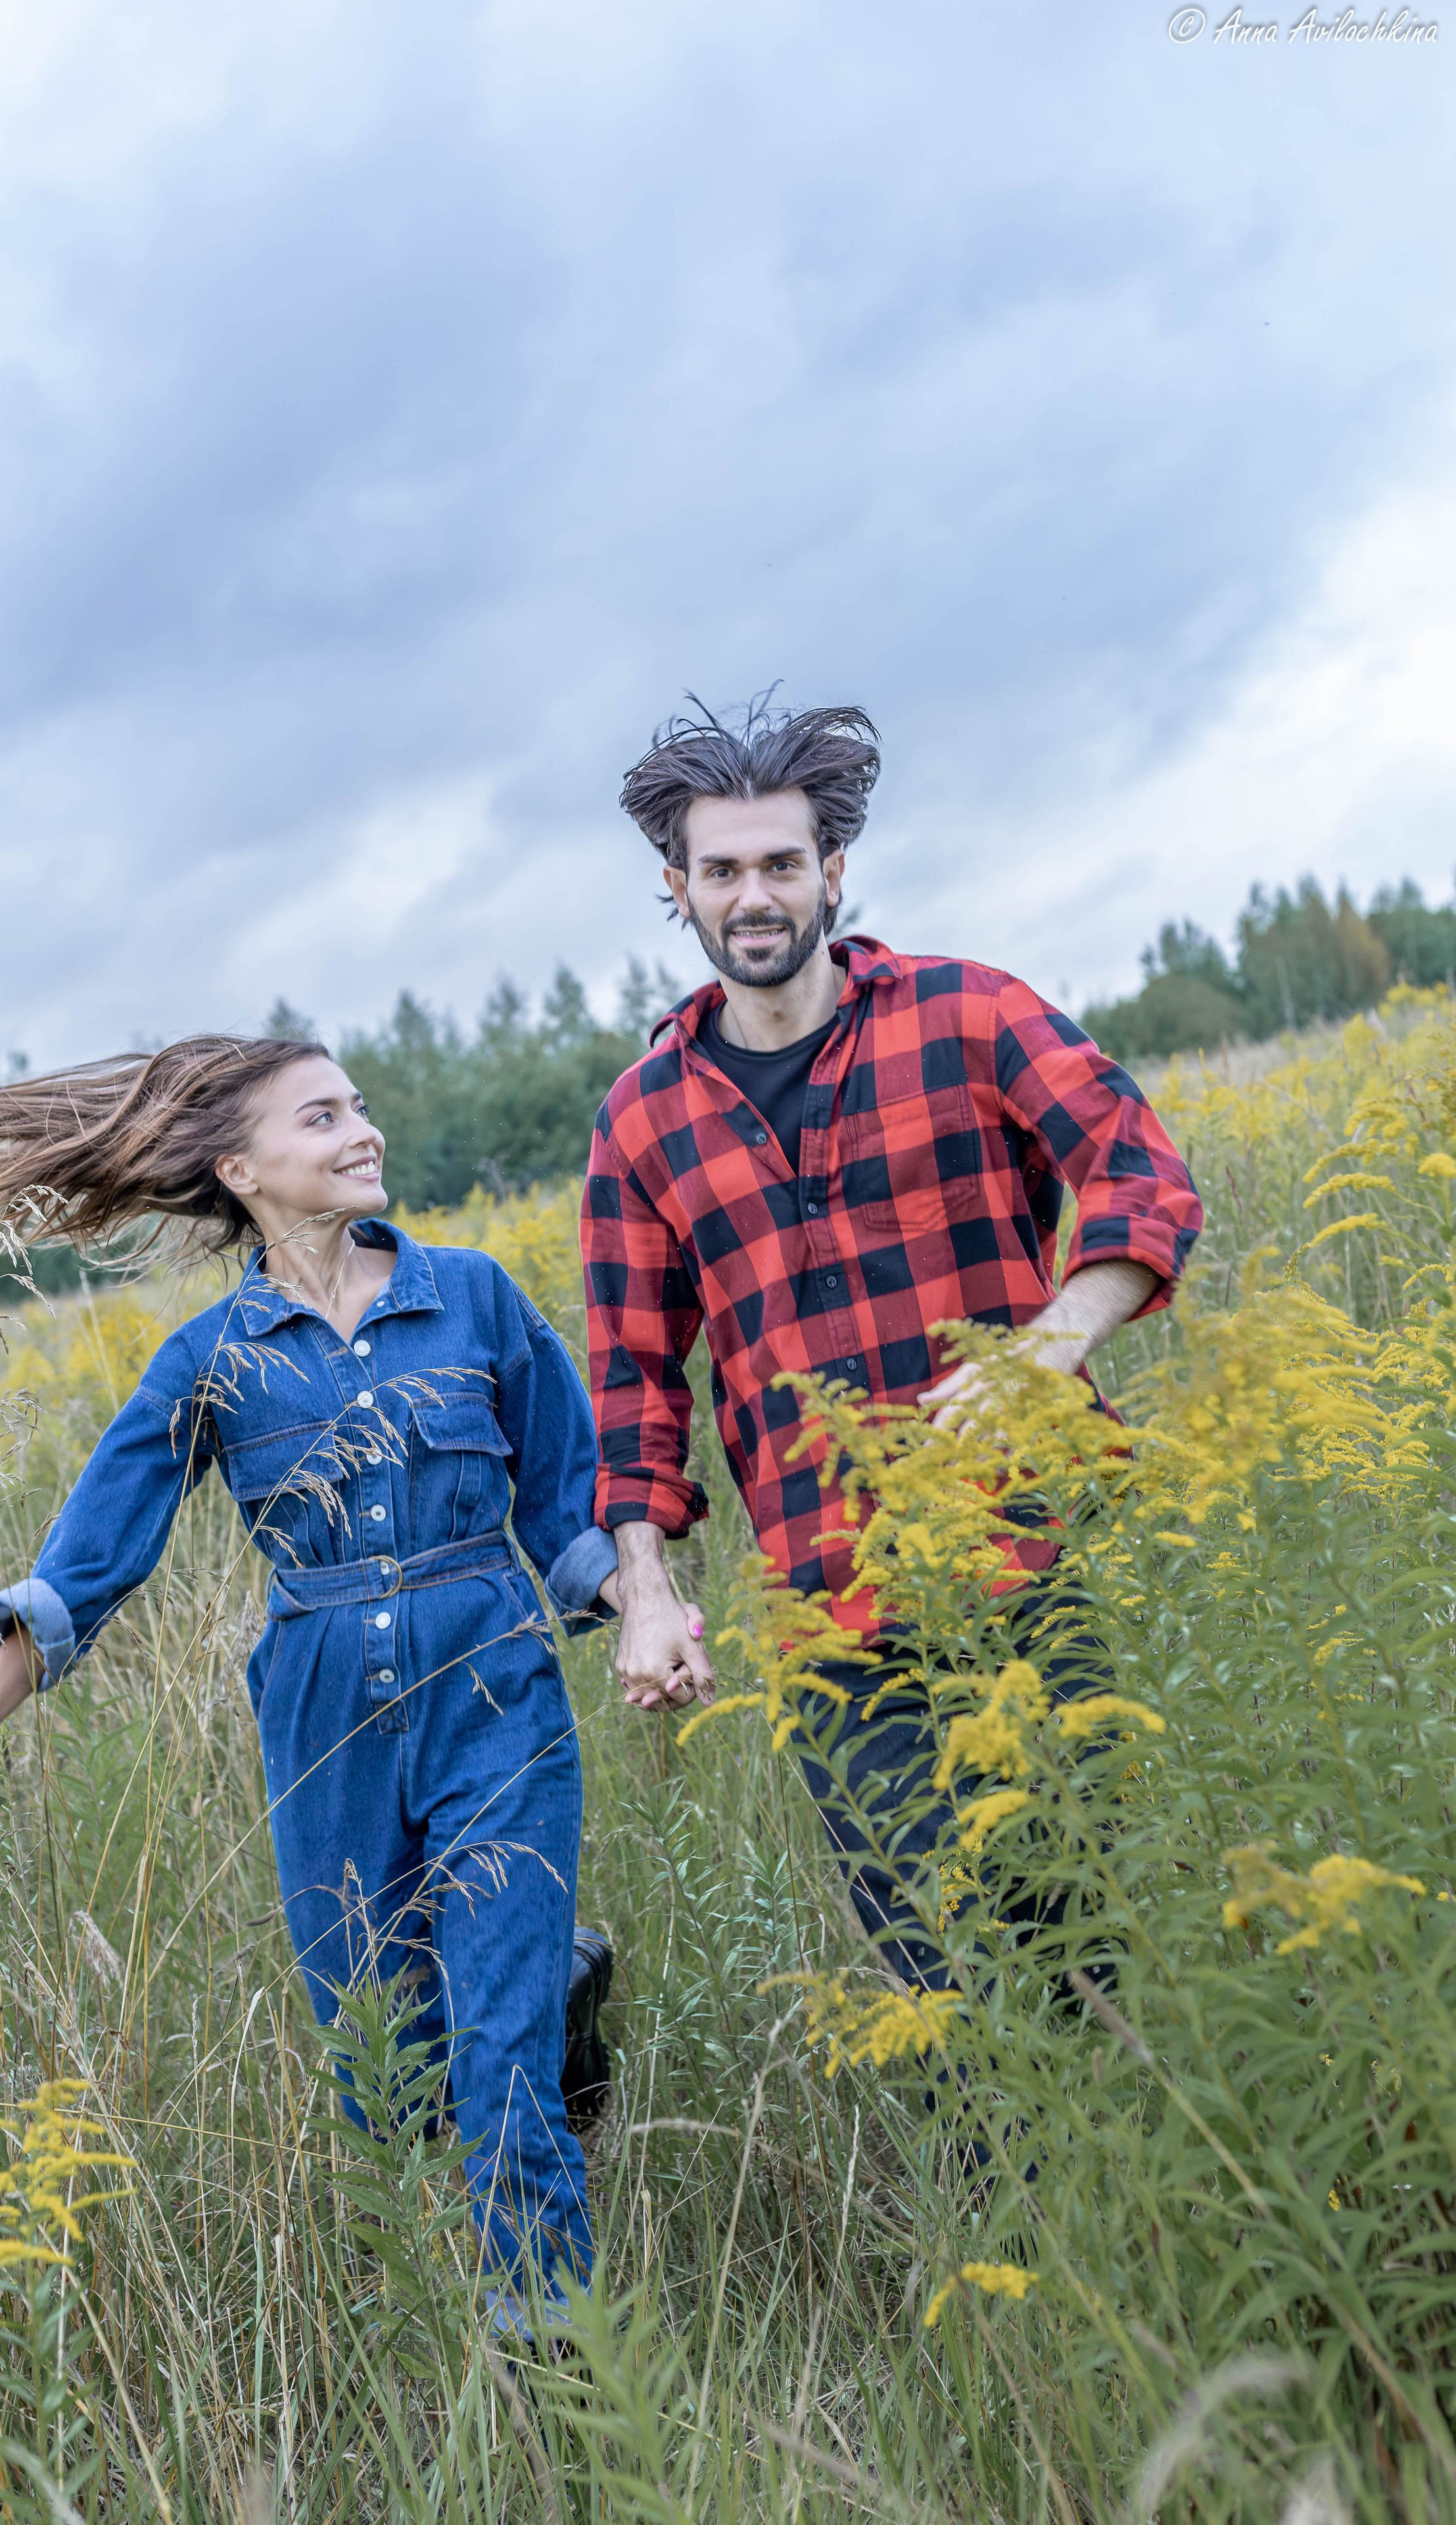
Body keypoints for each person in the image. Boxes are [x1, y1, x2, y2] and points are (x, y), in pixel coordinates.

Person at [0, 1034, 619, 2312]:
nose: (361, 1130)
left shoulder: (474, 1297)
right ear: (241, 1166)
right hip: (323, 1722)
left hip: (493, 1688)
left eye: (358, 1105)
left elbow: (567, 1500)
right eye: (323, 1118)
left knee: (499, 2069)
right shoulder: (213, 1362)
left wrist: (638, 1610)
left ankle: (553, 2374)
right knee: (385, 2075)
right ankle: (564, 1990)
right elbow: (80, 1574)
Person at [580, 698, 1204, 1988]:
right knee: (938, 1969)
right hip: (837, 1605)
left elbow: (1138, 1171)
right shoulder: (641, 1122)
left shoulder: (967, 1015)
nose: (752, 895)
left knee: (1114, 1934)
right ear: (676, 890)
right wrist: (643, 1585)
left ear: (831, 872)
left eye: (779, 864)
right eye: (721, 871)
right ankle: (1006, 2196)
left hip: (1040, 1553)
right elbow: (633, 1382)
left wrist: (1055, 1339)